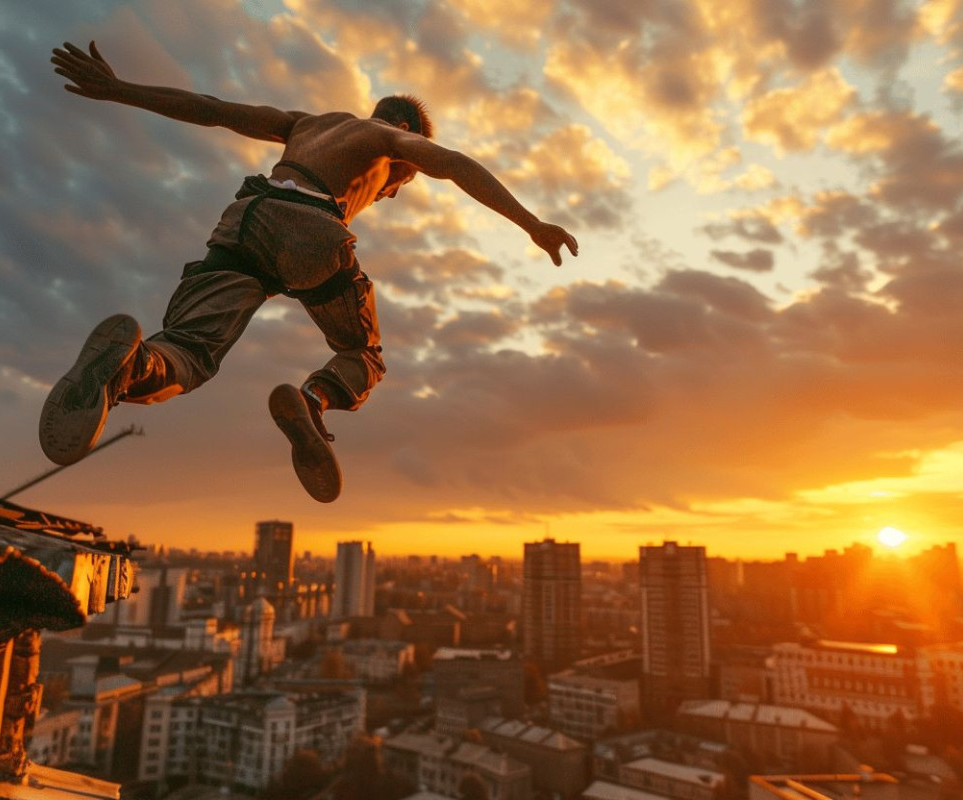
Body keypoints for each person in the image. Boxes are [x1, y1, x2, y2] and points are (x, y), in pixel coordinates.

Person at [41, 41, 579, 502]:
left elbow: (212, 108)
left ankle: (128, 366)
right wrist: (531, 224)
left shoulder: (305, 124)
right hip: (310, 227)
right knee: (363, 355)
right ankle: (313, 400)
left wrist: (117, 89)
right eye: (403, 180)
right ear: (403, 127)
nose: (391, 190)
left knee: (190, 349)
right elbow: (457, 163)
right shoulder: (388, 138)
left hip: (245, 217)